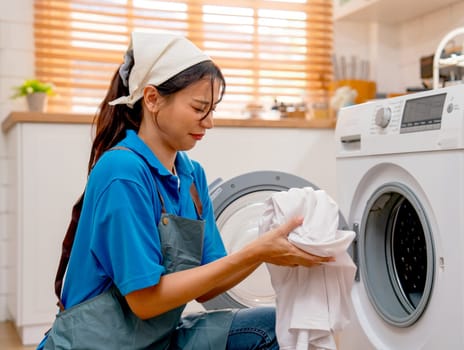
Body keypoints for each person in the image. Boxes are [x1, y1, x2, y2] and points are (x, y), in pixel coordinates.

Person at [37, 32, 332, 350]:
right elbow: (145, 301)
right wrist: (257, 251)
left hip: (155, 340)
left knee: (275, 328)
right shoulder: (122, 172)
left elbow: (208, 286)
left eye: (213, 109)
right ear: (151, 99)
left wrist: (267, 246)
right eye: (199, 108)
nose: (209, 123)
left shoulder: (191, 176)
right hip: (95, 345)